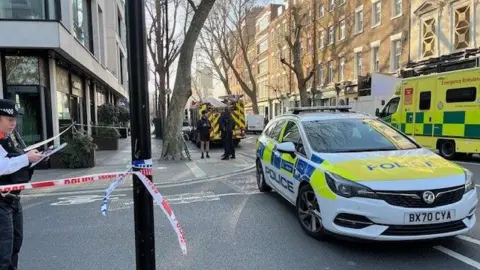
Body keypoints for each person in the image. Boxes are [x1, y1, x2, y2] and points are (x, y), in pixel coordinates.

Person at [0, 99, 43, 270]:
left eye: (15, 119)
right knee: (3, 252)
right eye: (9, 118)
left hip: (13, 198)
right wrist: (26, 158)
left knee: (14, 246)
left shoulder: (8, 138)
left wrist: (31, 158)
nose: (13, 123)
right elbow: (2, 167)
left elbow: (14, 159)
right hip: (1, 202)